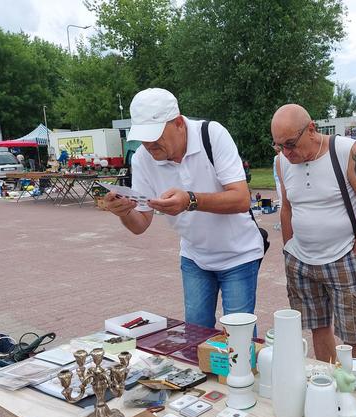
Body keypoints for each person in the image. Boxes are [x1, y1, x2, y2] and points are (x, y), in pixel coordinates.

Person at [104, 88, 264, 329]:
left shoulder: (212, 134)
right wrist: (124, 211)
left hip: (239, 254)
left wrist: (190, 200)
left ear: (179, 123)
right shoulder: (142, 159)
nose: (149, 144)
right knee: (196, 334)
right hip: (195, 257)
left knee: (238, 338)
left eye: (155, 135)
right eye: (143, 137)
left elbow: (241, 199)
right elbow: (141, 225)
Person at [272, 104, 356, 362]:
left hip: (343, 256)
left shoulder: (345, 151)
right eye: (278, 145)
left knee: (353, 333)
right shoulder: (281, 162)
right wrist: (289, 249)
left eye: (290, 143)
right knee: (318, 327)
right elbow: (286, 207)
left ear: (311, 129)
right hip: (301, 261)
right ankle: (328, 385)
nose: (286, 153)